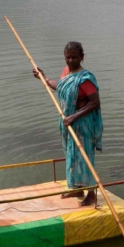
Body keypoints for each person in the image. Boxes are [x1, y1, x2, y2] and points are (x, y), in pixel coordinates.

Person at [33, 41, 102, 206]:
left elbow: (95, 102)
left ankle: (91, 193)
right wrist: (44, 78)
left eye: (74, 57)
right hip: (67, 122)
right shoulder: (66, 72)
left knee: (84, 158)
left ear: (82, 57)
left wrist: (75, 116)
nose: (71, 61)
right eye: (68, 57)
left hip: (82, 124)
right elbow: (61, 87)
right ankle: (77, 189)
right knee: (71, 156)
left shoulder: (85, 79)